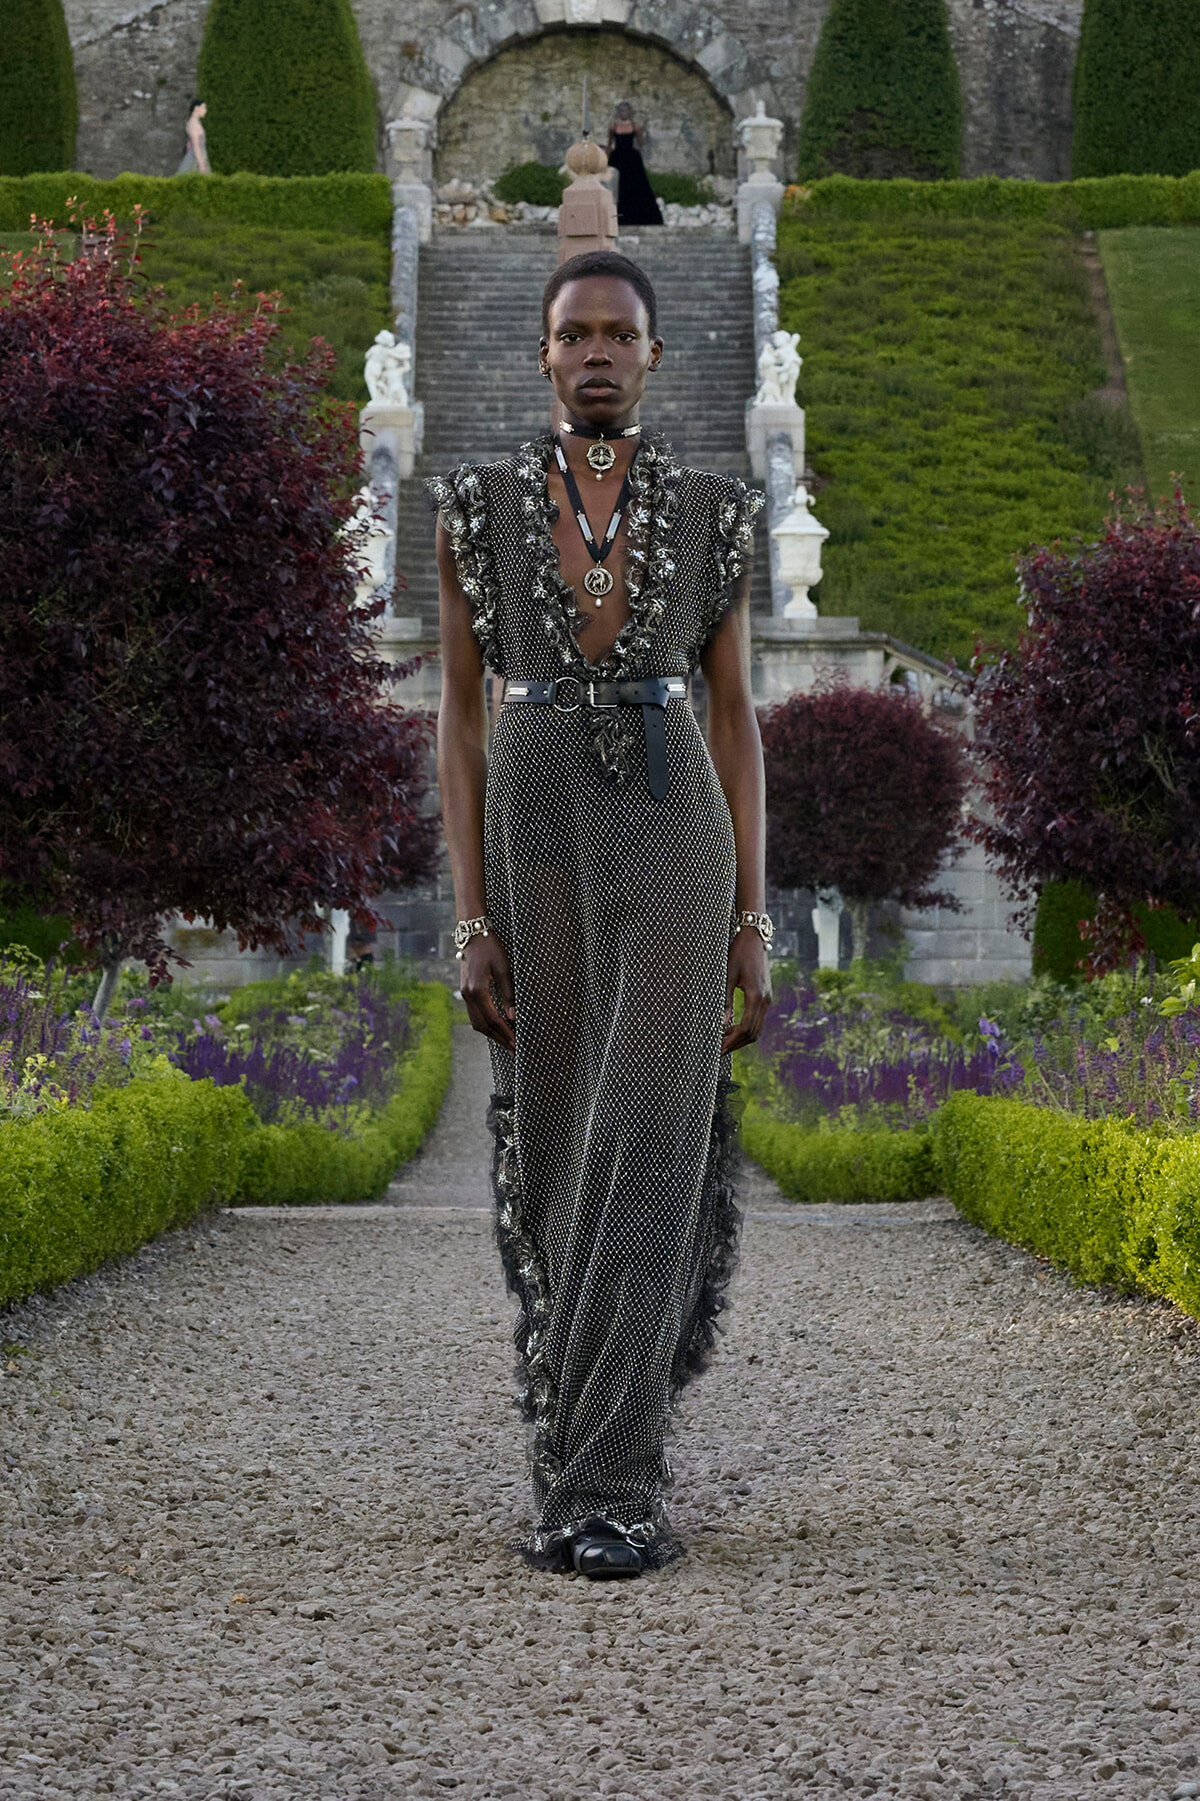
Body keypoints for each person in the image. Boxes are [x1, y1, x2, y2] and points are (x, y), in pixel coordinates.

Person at [432, 249, 772, 1579]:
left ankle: (613, 1491)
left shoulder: (714, 512)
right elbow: (456, 725)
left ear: (653, 355)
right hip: (533, 823)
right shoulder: (471, 511)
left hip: (675, 817)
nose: (594, 353)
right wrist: (469, 916)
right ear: (540, 354)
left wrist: (756, 915)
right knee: (559, 1147)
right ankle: (565, 1464)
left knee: (650, 1147)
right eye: (572, 332)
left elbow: (738, 718)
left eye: (617, 334)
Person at [606, 103, 663, 227]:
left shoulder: (635, 127)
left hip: (631, 160)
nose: (623, 113)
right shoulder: (613, 127)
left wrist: (642, 160)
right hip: (617, 158)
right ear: (618, 112)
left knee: (636, 187)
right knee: (617, 187)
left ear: (630, 112)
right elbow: (610, 145)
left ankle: (639, 217)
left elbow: (640, 144)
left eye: (625, 111)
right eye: (620, 111)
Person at [177, 99, 210, 175]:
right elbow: (196, 146)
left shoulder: (194, 122)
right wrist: (201, 164)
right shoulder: (193, 124)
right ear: (196, 108)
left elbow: (189, 144)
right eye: (204, 108)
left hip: (198, 157)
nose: (205, 111)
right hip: (195, 159)